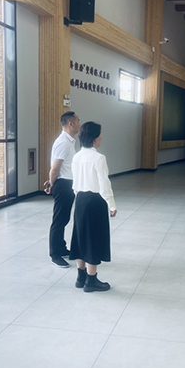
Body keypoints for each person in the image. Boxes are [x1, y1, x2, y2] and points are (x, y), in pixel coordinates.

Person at [69, 122, 117, 292]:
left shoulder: (76, 156)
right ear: (95, 138)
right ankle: (91, 280)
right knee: (93, 239)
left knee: (80, 236)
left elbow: (75, 182)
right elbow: (104, 184)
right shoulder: (99, 158)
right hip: (95, 201)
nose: (101, 137)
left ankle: (80, 277)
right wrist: (111, 204)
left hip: (80, 199)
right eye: (100, 134)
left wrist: (79, 196)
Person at [45, 111, 81, 268]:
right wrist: (51, 183)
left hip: (68, 184)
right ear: (71, 124)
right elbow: (55, 168)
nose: (79, 123)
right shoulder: (63, 143)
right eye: (78, 120)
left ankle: (61, 247)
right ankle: (55, 254)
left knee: (64, 219)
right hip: (63, 184)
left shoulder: (69, 142)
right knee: (59, 220)